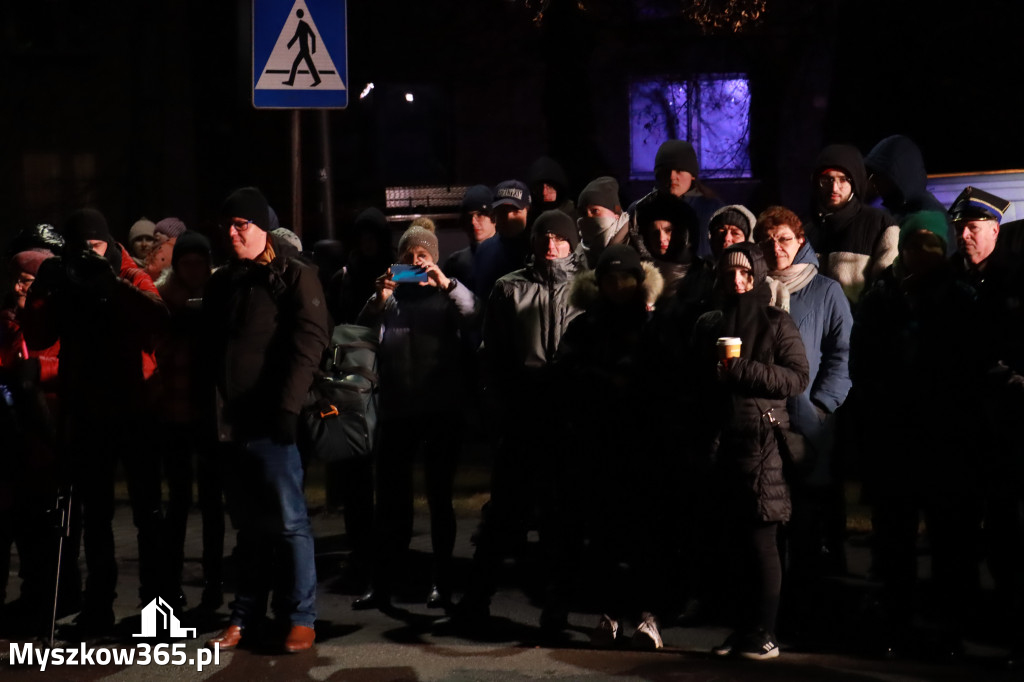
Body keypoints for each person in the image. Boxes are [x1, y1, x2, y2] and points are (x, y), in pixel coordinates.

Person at [20, 208, 170, 635]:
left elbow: (160, 319)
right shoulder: (64, 276)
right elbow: (38, 337)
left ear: (110, 243)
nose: (90, 253)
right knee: (95, 516)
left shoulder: (127, 272)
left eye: (97, 246)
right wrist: (46, 291)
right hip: (86, 408)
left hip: (136, 406)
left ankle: (157, 612)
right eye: (82, 247)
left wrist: (113, 286)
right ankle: (98, 608)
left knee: (148, 513)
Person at [850, 211, 984, 657]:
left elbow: (972, 369)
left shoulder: (961, 298)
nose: (923, 254)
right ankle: (896, 626)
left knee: (952, 541)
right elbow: (863, 366)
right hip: (895, 437)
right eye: (915, 245)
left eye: (932, 244)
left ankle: (950, 629)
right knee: (894, 542)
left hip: (947, 438)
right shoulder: (880, 299)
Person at [203, 187, 329, 654]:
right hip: (231, 425)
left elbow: (310, 341)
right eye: (228, 225)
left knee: (290, 521)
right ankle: (245, 615)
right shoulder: (223, 282)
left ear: (262, 228)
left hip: (272, 422)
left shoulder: (292, 274)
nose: (233, 233)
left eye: (243, 225)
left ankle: (300, 616)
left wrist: (288, 408)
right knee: (250, 526)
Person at [457, 210, 585, 632]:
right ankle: (476, 600)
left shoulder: (589, 288)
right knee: (503, 515)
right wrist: (496, 410)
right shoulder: (509, 288)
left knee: (559, 519)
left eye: (559, 239)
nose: (551, 246)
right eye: (544, 238)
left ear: (572, 243)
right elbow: (490, 356)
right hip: (523, 415)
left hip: (567, 416)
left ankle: (557, 609)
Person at [692, 242, 809, 661]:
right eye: (729, 274)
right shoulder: (710, 323)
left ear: (758, 277)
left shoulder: (777, 323)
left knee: (762, 541)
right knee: (732, 544)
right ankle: (741, 630)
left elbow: (797, 378)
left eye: (745, 274)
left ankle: (766, 633)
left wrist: (740, 370)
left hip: (764, 444)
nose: (737, 281)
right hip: (722, 443)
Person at [353, 224, 479, 611]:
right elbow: (360, 334)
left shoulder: (447, 296)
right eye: (408, 256)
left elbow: (475, 317)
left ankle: (441, 582)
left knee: (440, 500)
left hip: (442, 411)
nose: (415, 261)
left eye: (422, 256)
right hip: (397, 410)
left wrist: (447, 284)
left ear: (434, 259)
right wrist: (378, 297)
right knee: (390, 504)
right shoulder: (389, 300)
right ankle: (383, 583)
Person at [555, 244, 667, 648]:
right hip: (596, 445)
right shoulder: (584, 327)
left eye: (626, 278)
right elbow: (565, 376)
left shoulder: (655, 325)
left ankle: (647, 616)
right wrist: (604, 380)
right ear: (598, 283)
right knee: (602, 536)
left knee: (644, 536)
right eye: (610, 278)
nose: (618, 285)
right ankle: (608, 614)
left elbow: (669, 383)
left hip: (645, 448)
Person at [754, 206, 853, 625]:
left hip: (808, 419)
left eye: (784, 240)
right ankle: (771, 610)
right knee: (768, 517)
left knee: (808, 518)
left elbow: (842, 351)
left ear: (800, 242)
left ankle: (808, 611)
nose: (777, 248)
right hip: (763, 421)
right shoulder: (753, 290)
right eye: (769, 241)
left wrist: (823, 405)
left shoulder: (826, 290)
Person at [154, 231, 223, 610]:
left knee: (213, 504)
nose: (194, 269)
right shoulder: (163, 301)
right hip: (174, 413)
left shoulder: (218, 297)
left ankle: (214, 583)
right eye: (187, 262)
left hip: (210, 416)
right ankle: (171, 587)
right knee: (178, 503)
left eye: (200, 262)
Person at [0, 244, 65, 638]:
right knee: (10, 521)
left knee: (40, 527)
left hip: (45, 433)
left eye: (31, 279)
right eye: (19, 279)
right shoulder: (5, 323)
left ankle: (42, 599)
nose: (23, 286)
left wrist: (36, 370)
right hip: (9, 436)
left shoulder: (54, 323)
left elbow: (67, 362)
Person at [806, 144, 899, 304]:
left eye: (843, 179)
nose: (834, 188)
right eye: (827, 180)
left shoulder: (879, 224)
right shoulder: (808, 230)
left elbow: (886, 287)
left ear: (855, 182)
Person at [631, 140, 724, 260]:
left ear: (692, 175)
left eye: (679, 170)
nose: (672, 176)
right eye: (666, 171)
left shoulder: (713, 209)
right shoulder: (639, 209)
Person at [864, 134, 957, 255]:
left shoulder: (928, 215)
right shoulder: (894, 208)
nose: (873, 182)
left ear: (897, 176)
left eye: (879, 176)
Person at [472, 180, 534, 301]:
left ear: (528, 211)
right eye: (502, 211)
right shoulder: (485, 250)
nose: (508, 217)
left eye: (516, 211)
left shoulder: (541, 249)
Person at [575, 176, 635, 268]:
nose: (589, 217)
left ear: (616, 213)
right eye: (583, 213)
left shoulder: (636, 243)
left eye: (595, 211)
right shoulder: (578, 253)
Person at [442, 184, 496, 287]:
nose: (473, 222)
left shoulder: (510, 258)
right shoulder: (454, 264)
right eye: (469, 216)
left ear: (493, 217)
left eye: (480, 215)